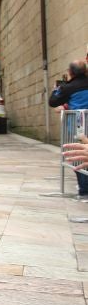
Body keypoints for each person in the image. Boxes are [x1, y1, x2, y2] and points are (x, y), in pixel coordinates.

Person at [49, 60, 88, 200]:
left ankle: (84, 190)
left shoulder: (69, 87)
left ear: (70, 72)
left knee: (77, 156)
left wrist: (56, 89)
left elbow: (53, 101)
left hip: (78, 126)